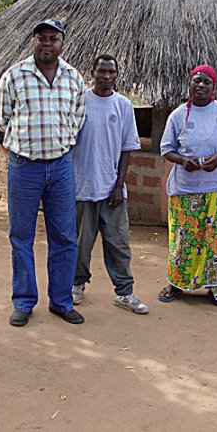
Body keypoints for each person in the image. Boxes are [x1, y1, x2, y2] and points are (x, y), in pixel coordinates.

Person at [0, 19, 86, 327]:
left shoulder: (74, 78)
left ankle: (61, 301)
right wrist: (26, 144)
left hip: (61, 167)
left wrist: (59, 145)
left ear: (62, 43)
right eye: (42, 38)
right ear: (34, 42)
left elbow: (77, 119)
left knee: (64, 236)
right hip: (24, 167)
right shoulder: (15, 75)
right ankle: (23, 301)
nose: (47, 44)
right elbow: (1, 118)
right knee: (21, 236)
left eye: (53, 39)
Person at [158, 65, 217, 307]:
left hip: (216, 189)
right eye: (197, 81)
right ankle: (177, 284)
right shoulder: (178, 116)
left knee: (216, 241)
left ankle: (216, 288)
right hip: (185, 190)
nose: (201, 85)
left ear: (213, 87)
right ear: (190, 84)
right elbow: (167, 149)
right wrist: (184, 161)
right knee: (184, 241)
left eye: (206, 82)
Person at [71, 54, 148, 314]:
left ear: (117, 75)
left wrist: (119, 185)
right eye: (101, 71)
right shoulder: (80, 101)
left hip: (112, 189)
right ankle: (77, 284)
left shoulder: (123, 106)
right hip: (82, 187)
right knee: (81, 242)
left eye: (111, 72)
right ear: (91, 72)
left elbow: (127, 149)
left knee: (118, 243)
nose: (106, 76)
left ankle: (124, 292)